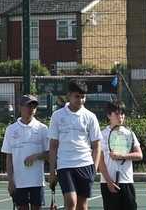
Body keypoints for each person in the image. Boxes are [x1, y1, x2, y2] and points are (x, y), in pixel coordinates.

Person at [48, 81, 102, 210]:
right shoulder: (57, 116)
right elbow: (53, 145)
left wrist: (94, 168)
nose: (80, 99)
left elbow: (97, 145)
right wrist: (51, 171)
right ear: (69, 96)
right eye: (77, 96)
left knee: (82, 206)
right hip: (65, 165)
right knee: (71, 202)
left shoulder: (90, 116)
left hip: (85, 165)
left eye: (83, 96)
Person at [2, 95, 50, 210]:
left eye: (34, 106)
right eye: (28, 106)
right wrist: (10, 181)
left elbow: (50, 154)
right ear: (20, 107)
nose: (31, 109)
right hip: (19, 182)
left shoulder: (43, 128)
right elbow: (9, 157)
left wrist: (36, 156)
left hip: (37, 181)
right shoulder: (11, 129)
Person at [99, 100, 143, 210]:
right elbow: (100, 162)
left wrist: (122, 156)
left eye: (122, 113)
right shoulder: (101, 135)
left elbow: (139, 155)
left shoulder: (130, 133)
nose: (121, 116)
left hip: (127, 181)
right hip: (108, 183)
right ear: (109, 115)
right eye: (117, 113)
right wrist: (109, 182)